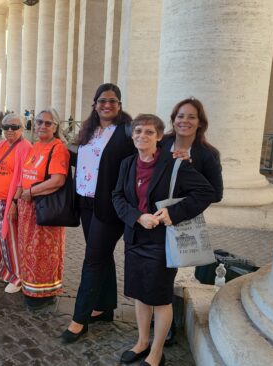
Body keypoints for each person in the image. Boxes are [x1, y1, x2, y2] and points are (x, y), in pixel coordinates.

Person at [112, 114, 215, 366]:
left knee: (159, 296)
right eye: (137, 131)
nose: (141, 136)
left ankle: (157, 351)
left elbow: (206, 192)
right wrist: (137, 217)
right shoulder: (127, 163)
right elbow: (117, 196)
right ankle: (142, 342)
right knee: (140, 293)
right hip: (135, 236)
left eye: (148, 132)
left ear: (159, 136)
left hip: (162, 240)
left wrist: (172, 213)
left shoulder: (174, 164)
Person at [61, 83, 135, 343]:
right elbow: (81, 158)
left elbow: (148, 151)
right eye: (102, 100)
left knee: (92, 259)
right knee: (102, 255)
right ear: (94, 104)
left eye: (112, 101)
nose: (107, 105)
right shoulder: (89, 130)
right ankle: (104, 308)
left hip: (109, 206)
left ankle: (79, 319)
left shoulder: (127, 131)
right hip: (86, 203)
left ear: (119, 105)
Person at [160, 97, 224, 345]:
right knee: (157, 269)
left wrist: (188, 168)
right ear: (173, 120)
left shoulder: (207, 154)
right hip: (156, 216)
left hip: (183, 219)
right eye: (180, 116)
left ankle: (167, 324)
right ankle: (159, 316)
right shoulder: (162, 143)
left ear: (200, 123)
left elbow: (216, 193)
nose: (184, 121)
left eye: (191, 117)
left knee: (172, 269)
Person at [17, 108, 70, 310]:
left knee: (44, 252)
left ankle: (44, 292)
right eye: (39, 122)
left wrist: (31, 192)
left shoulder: (58, 148)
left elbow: (58, 180)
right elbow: (26, 173)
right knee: (29, 249)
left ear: (55, 127)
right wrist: (19, 195)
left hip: (44, 207)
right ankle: (30, 287)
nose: (42, 126)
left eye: (48, 123)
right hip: (27, 207)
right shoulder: (35, 146)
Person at [0, 113, 32, 293]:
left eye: (14, 127)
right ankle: (6, 269)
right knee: (3, 238)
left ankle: (18, 276)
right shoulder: (1, 144)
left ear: (22, 129)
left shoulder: (25, 147)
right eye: (5, 127)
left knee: (12, 238)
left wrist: (14, 202)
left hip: (11, 201)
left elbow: (23, 177)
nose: (9, 130)